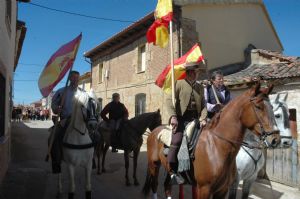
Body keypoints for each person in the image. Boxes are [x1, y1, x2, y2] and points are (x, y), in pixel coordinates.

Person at [166, 62, 208, 184]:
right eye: (193, 72)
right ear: (188, 73)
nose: (196, 74)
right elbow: (169, 100)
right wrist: (173, 116)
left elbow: (204, 105)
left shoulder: (200, 87)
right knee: (177, 140)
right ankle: (173, 171)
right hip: (181, 119)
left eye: (197, 72)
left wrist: (204, 118)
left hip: (196, 119)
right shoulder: (178, 84)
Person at [49, 70, 80, 173]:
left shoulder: (83, 93)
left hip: (80, 120)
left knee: (96, 135)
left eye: (77, 78)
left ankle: (91, 158)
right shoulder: (61, 91)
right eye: (74, 77)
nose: (76, 80)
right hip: (66, 120)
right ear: (70, 78)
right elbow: (53, 104)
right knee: (52, 137)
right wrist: (57, 109)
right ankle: (56, 162)